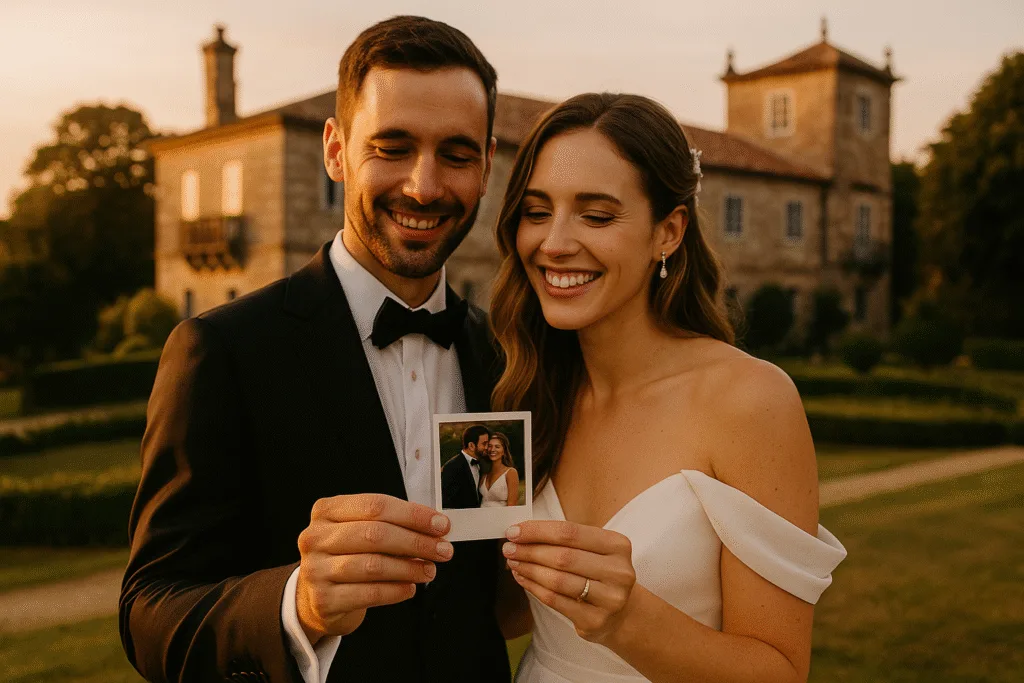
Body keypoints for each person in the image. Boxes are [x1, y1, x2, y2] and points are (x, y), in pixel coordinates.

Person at [119, 16, 513, 683]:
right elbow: (150, 611)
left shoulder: (505, 354)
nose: (424, 185)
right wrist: (298, 601)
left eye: (455, 153)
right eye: (391, 146)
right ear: (335, 150)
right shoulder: (220, 351)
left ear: (486, 162)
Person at [488, 93, 847, 683]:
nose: (554, 242)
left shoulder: (748, 400)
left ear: (669, 231)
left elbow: (779, 671)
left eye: (596, 215)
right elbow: (506, 614)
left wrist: (626, 618)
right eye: (535, 211)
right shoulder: (523, 388)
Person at [441, 424, 489, 509]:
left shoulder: (482, 463)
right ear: (471, 446)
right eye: (484, 444)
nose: (487, 447)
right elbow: (447, 503)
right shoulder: (451, 467)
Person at [479, 431, 520, 507]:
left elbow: (512, 506)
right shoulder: (484, 474)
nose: (492, 449)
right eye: (490, 446)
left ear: (504, 451)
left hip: (501, 518)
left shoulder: (510, 472)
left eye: (497, 447)